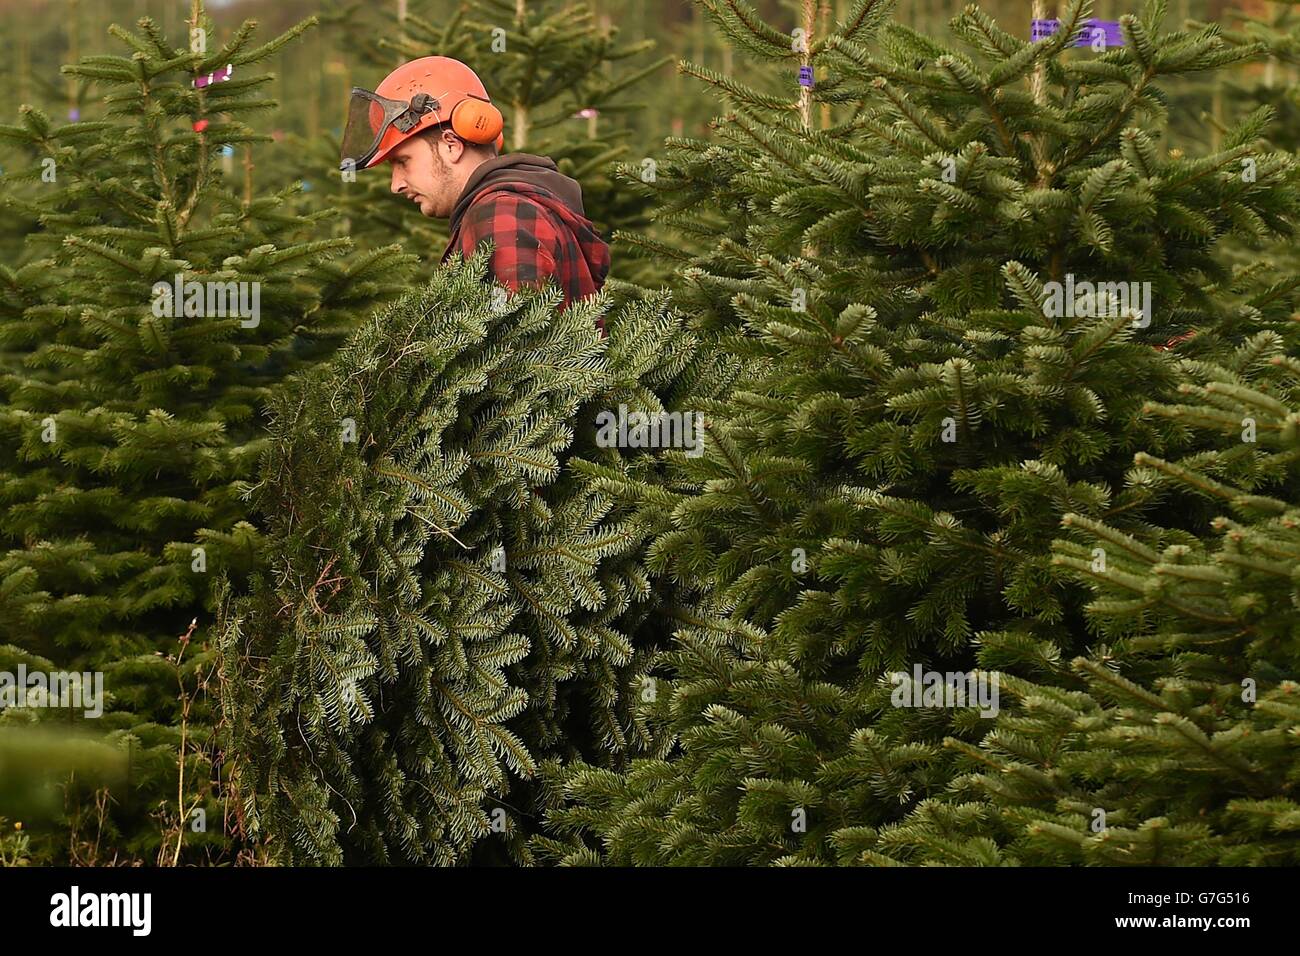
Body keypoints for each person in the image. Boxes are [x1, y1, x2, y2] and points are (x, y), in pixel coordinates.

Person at [340, 56, 610, 332]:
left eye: (403, 161)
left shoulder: (502, 214)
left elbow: (515, 353)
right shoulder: (508, 207)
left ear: (451, 145)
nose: (395, 184)